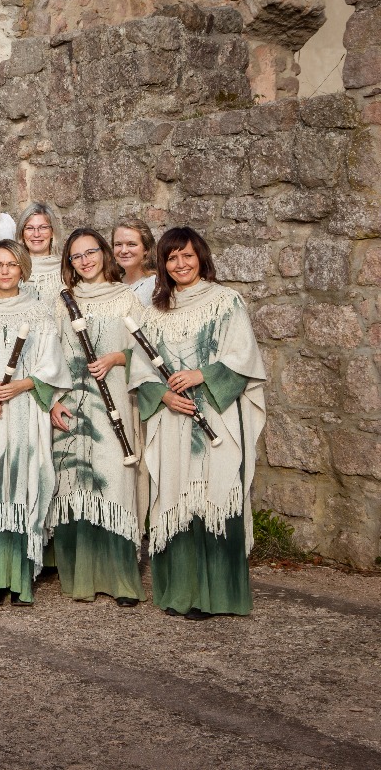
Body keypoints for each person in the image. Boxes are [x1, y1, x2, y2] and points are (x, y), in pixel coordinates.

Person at [129, 227, 266, 620]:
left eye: (187, 255)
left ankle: (218, 596)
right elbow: (139, 369)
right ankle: (181, 592)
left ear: (201, 257)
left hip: (217, 417)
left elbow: (243, 357)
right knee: (178, 497)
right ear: (162, 265)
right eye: (171, 258)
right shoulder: (155, 311)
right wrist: (164, 395)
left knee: (215, 496)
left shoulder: (225, 301)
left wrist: (200, 375)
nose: (180, 264)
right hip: (174, 419)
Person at [0, 240, 70, 605]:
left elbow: (52, 364)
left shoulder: (38, 311)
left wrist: (22, 384)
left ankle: (20, 577)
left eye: (11, 264)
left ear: (23, 268)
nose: (4, 270)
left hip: (24, 412)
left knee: (22, 484)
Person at [47, 229, 145, 607]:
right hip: (72, 406)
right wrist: (53, 402)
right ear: (69, 263)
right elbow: (47, 357)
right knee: (74, 484)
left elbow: (149, 350)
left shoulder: (126, 298)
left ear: (104, 253)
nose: (85, 261)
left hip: (114, 402)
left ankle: (120, 579)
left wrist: (116, 358)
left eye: (90, 252)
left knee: (113, 483)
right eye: (76, 256)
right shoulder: (62, 303)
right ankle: (80, 578)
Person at [16, 202, 63, 300]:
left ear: (52, 232)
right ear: (22, 234)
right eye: (29, 228)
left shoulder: (66, 268)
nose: (36, 234)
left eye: (43, 227)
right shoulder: (12, 269)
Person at [112, 216, 157, 307]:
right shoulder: (111, 283)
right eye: (118, 244)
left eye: (131, 244)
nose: (124, 251)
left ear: (146, 249)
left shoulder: (156, 285)